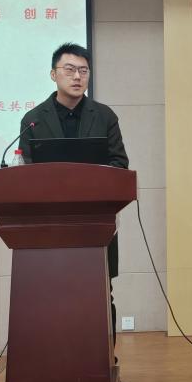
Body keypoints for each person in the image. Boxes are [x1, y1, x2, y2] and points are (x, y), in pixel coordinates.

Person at [18, 43, 129, 342]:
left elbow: (119, 164)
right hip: (48, 224)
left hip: (96, 222)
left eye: (83, 70)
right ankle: (53, 360)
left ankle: (105, 361)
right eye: (69, 70)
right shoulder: (33, 120)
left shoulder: (104, 116)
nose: (77, 76)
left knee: (101, 292)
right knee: (48, 294)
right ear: (53, 74)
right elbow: (25, 173)